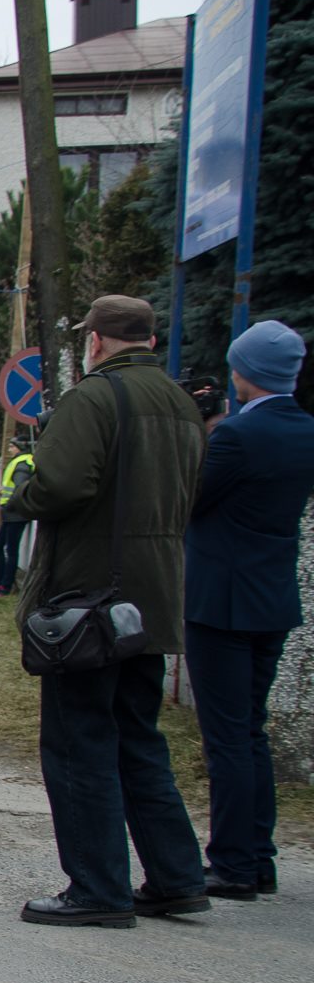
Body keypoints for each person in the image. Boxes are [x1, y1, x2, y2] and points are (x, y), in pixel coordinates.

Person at [3, 294, 207, 927]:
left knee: (79, 741)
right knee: (137, 739)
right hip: (152, 600)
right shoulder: (180, 403)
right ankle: (176, 877)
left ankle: (97, 887)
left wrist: (24, 488)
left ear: (94, 342)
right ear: (147, 338)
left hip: (91, 597)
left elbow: (61, 484)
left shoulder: (95, 398)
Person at [183, 320, 313, 901]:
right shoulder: (304, 429)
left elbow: (192, 497)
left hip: (222, 601)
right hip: (272, 597)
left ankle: (233, 861)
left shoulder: (237, 436)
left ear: (244, 374)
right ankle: (259, 855)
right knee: (251, 731)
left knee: (227, 737)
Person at [0, 437, 36, 596]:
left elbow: (19, 488)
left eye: (12, 446)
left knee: (9, 550)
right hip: (12, 513)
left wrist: (9, 504)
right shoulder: (22, 462)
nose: (9, 449)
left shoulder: (21, 464)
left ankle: (5, 586)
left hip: (16, 514)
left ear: (19, 447)